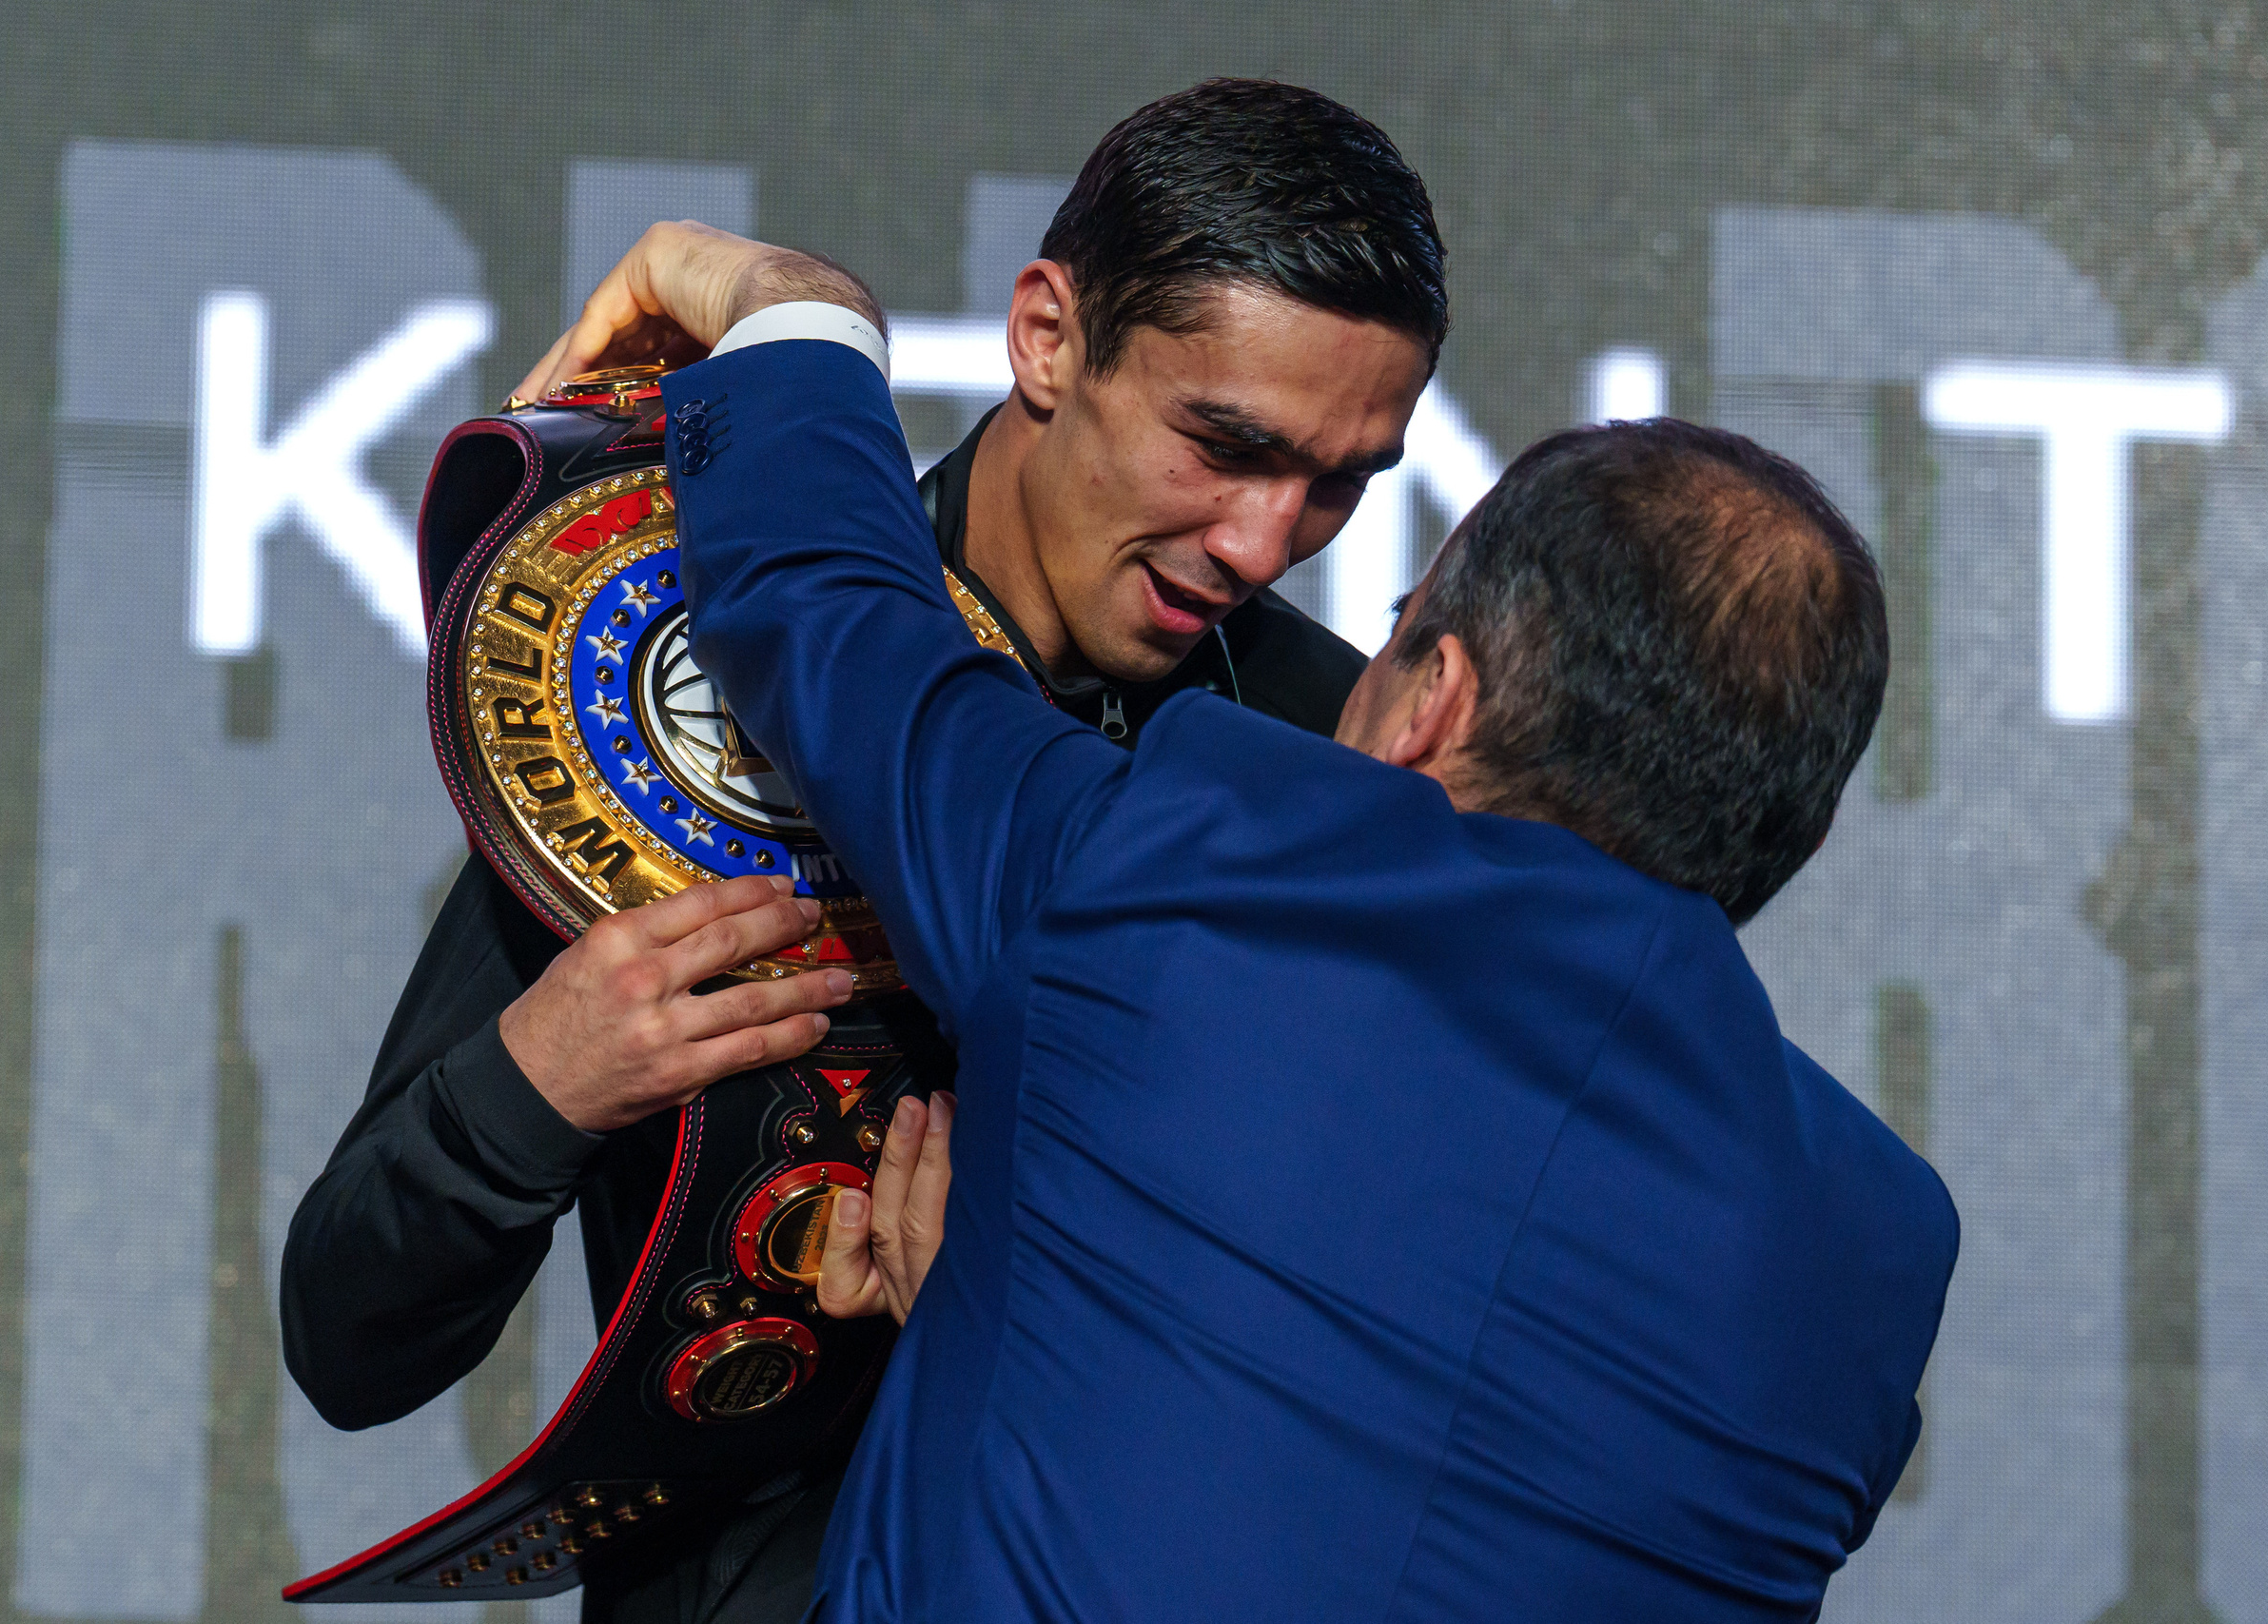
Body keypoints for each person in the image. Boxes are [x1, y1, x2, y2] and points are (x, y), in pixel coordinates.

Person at [279, 79, 1449, 1623]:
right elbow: (350, 1343)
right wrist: (535, 1085)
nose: (1263, 539)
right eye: (1220, 444)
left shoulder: (1331, 767)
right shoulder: (649, 689)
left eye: (1339, 483)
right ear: (1048, 338)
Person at [666, 276, 1959, 1619]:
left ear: (1432, 703)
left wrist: (790, 313)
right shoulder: (1873, 1253)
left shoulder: (1194, 871)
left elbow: (829, 618)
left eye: (1396, 628)